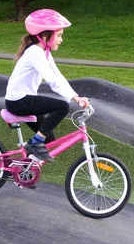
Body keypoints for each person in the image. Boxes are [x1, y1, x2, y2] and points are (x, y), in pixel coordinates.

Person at [5, 9, 90, 162]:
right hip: (18, 101)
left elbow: (57, 75)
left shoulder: (44, 52)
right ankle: (34, 143)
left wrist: (76, 96)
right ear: (45, 36)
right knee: (62, 107)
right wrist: (74, 99)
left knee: (49, 140)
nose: (61, 40)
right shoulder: (34, 53)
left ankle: (22, 168)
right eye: (59, 35)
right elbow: (52, 80)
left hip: (24, 100)